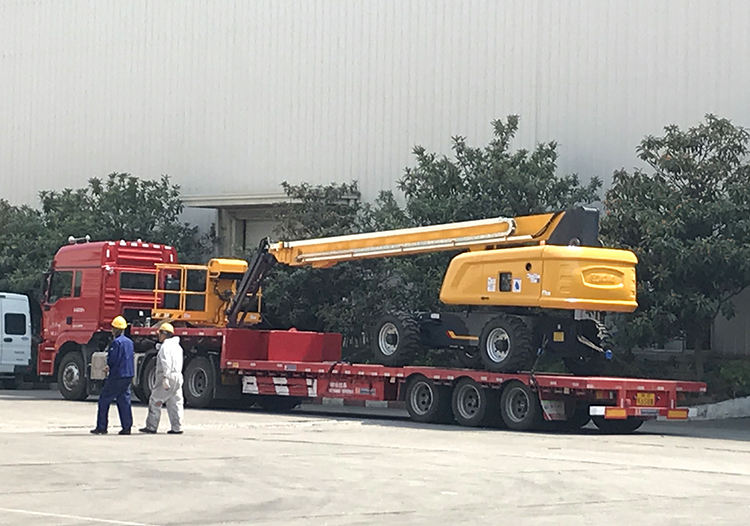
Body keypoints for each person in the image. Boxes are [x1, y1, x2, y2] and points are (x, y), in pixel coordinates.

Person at [91, 316, 134, 435]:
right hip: (128, 375)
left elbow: (113, 358)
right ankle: (127, 427)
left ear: (115, 329)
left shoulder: (116, 342)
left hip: (117, 375)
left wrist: (108, 366)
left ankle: (101, 427)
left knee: (104, 400)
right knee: (124, 401)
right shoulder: (129, 342)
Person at [140, 322, 184, 434]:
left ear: (164, 334)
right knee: (175, 402)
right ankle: (177, 427)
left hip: (167, 376)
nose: (158, 336)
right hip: (178, 376)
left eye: (159, 334)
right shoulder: (177, 347)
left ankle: (151, 426)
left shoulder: (165, 347)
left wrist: (165, 377)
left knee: (155, 400)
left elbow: (166, 362)